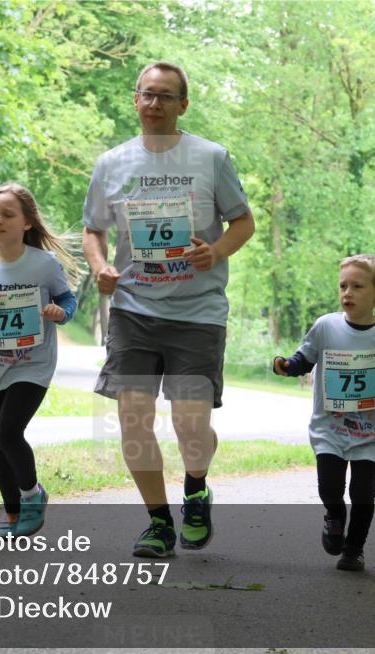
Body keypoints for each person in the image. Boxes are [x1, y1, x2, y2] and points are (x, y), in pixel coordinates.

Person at [82, 62, 255, 558]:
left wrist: (216, 251)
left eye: (165, 96)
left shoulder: (211, 157)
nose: (154, 103)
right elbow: (94, 229)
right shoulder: (111, 163)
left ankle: (196, 488)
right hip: (134, 309)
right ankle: (159, 523)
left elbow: (243, 222)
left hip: (197, 311)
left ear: (183, 105)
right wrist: (100, 267)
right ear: (135, 100)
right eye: (147, 94)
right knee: (134, 422)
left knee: (189, 426)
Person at [273, 254, 375, 571]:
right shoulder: (326, 327)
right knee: (330, 486)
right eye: (343, 286)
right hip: (330, 427)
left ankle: (354, 550)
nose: (347, 293)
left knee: (363, 491)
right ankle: (335, 515)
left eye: (357, 286)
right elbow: (304, 358)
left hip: (370, 431)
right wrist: (286, 365)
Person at [0, 183, 78, 538]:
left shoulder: (43, 264)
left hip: (34, 363)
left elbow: (68, 302)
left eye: (7, 214)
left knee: (9, 431)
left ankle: (33, 496)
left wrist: (59, 312)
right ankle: (12, 516)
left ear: (27, 223)